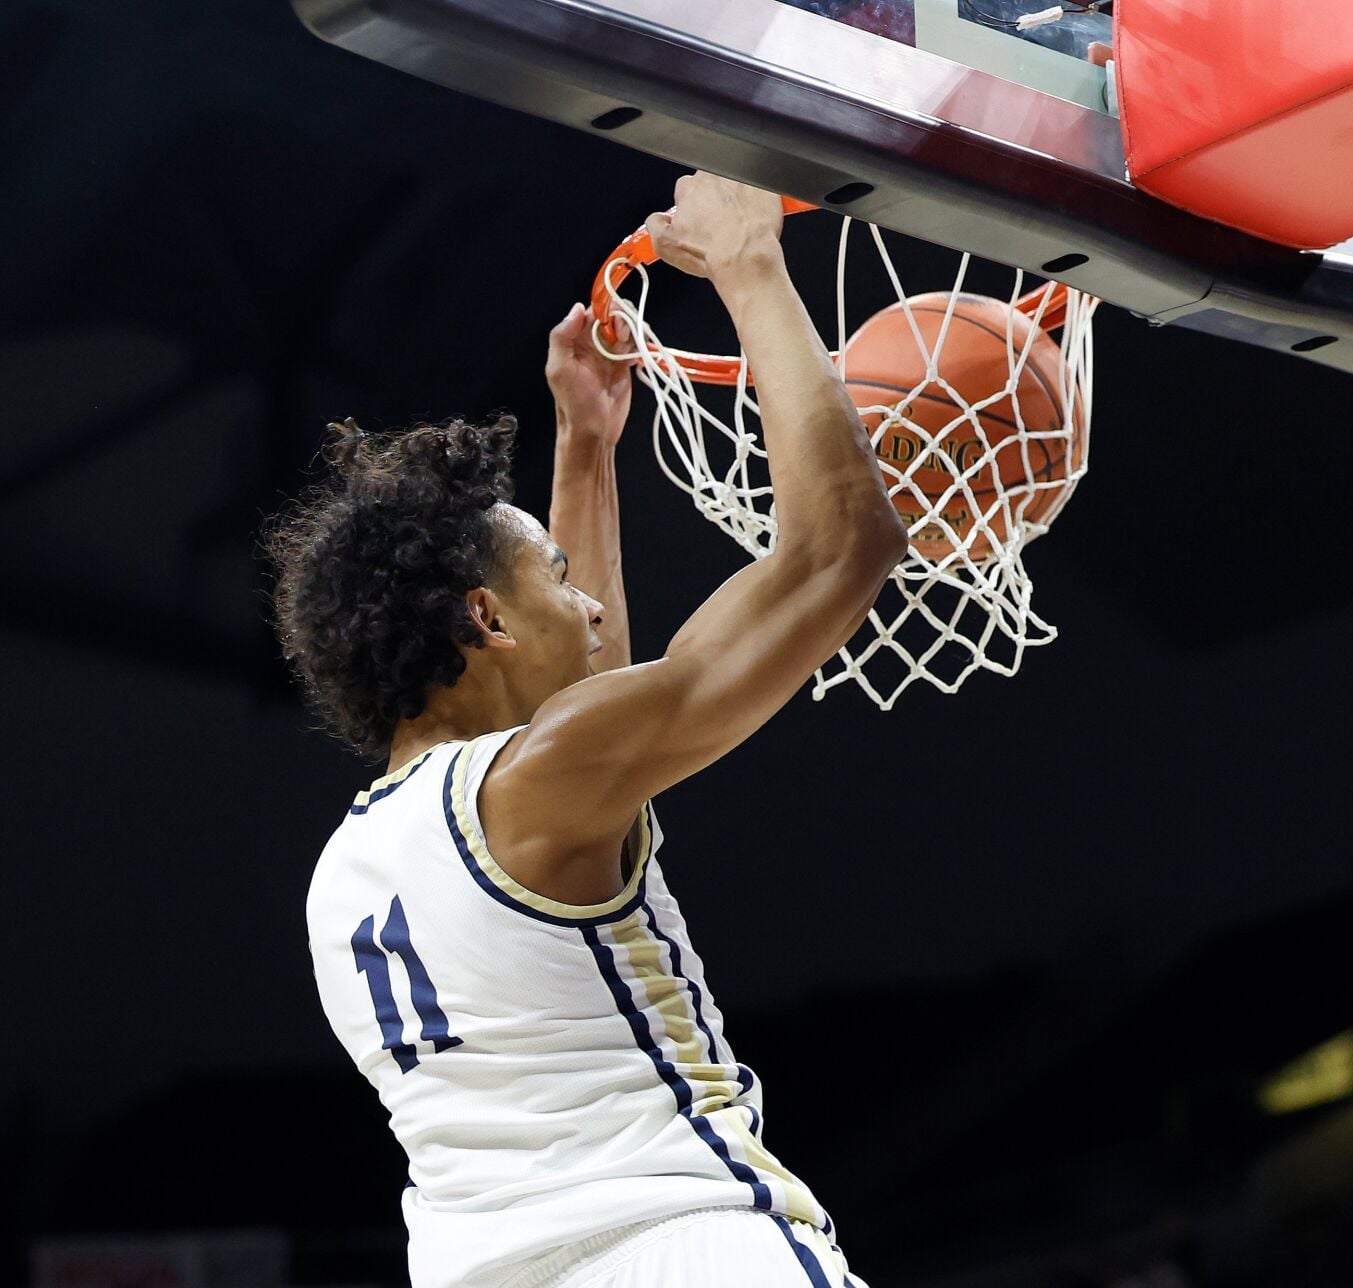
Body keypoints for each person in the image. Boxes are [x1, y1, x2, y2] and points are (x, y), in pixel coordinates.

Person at [266, 172, 905, 1288]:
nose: (594, 603)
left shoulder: (345, 878)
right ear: (488, 620)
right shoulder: (533, 789)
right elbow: (840, 550)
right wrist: (751, 262)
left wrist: (586, 446)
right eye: (558, 580)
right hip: (680, 1249)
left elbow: (584, 703)